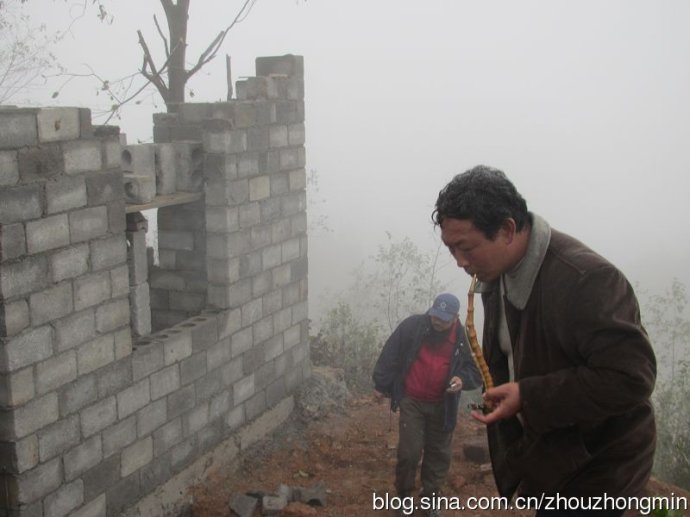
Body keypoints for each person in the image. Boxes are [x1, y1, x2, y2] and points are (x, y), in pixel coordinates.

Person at [432, 165, 656, 516]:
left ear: (507, 229)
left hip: (600, 467)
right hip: (554, 455)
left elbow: (632, 378)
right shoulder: (496, 273)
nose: (460, 262)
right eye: (451, 249)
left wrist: (528, 396)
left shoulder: (587, 280)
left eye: (466, 248)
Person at [372, 293, 482, 517]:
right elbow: (390, 354)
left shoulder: (463, 339)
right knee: (409, 452)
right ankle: (404, 496)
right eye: (435, 316)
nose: (437, 321)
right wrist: (381, 385)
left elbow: (476, 370)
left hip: (443, 404)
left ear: (455, 318)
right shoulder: (413, 327)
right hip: (412, 400)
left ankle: (430, 498)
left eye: (443, 318)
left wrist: (462, 379)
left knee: (438, 453)